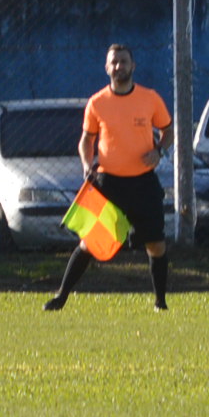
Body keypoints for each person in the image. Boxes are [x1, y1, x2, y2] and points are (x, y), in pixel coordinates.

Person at [47, 42, 173, 312]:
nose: (119, 67)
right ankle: (61, 297)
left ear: (133, 65)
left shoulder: (150, 98)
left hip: (143, 183)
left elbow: (168, 129)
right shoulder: (97, 102)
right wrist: (86, 164)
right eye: (114, 63)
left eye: (124, 61)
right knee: (89, 243)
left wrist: (159, 151)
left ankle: (160, 302)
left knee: (156, 244)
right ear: (107, 68)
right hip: (109, 184)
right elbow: (86, 140)